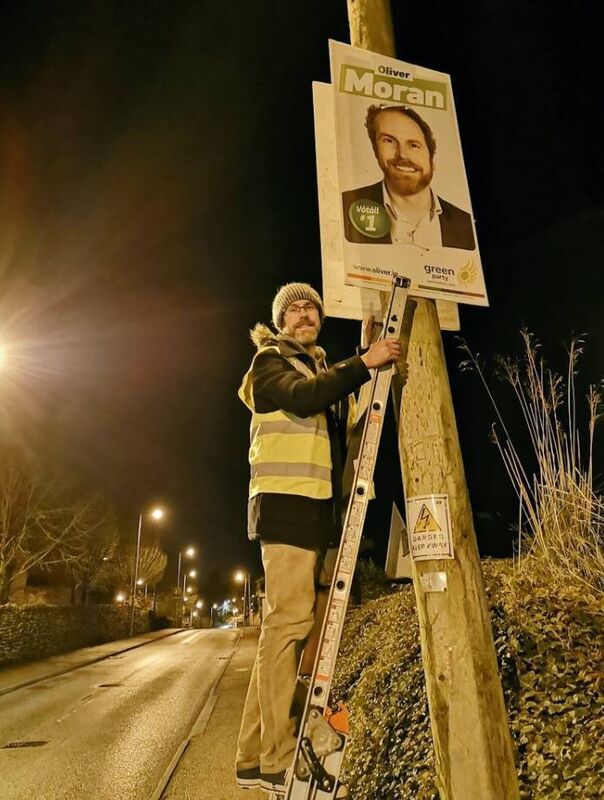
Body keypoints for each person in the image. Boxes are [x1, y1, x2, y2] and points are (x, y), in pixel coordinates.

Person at [235, 282, 400, 795]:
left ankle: (250, 756)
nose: (304, 314)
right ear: (280, 322)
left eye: (311, 308)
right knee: (287, 626)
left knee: (283, 630)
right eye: (294, 309)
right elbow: (303, 398)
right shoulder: (269, 363)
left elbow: (343, 424)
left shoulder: (319, 371)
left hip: (313, 514)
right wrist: (364, 361)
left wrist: (364, 354)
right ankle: (278, 757)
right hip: (285, 509)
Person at [342, 104, 475, 250]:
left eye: (414, 145)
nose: (402, 154)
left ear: (431, 158)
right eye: (389, 140)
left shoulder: (467, 226)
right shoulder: (344, 207)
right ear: (375, 150)